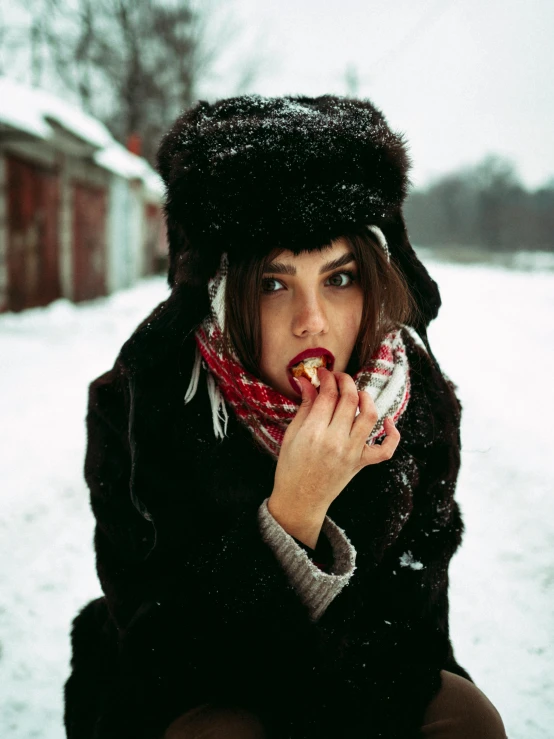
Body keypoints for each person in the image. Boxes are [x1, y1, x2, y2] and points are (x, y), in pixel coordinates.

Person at [64, 95, 507, 739]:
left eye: (339, 278)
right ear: (218, 290)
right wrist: (294, 515)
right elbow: (166, 651)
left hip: (364, 684)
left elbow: (412, 627)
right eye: (273, 284)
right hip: (201, 692)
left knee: (466, 718)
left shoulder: (416, 402)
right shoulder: (143, 402)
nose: (313, 320)